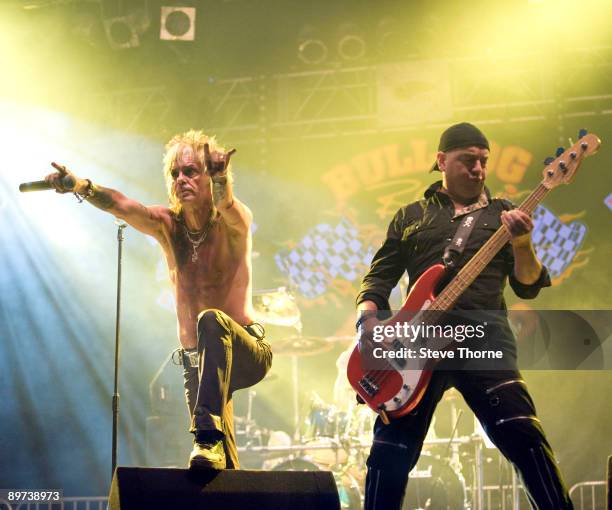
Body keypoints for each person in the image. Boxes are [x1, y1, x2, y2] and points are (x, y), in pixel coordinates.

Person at [355, 122, 573, 509]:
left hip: (482, 342)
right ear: (441, 160)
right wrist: (368, 323)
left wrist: (522, 242)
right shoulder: (411, 216)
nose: (478, 168)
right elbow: (378, 280)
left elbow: (526, 285)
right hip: (417, 351)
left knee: (524, 435)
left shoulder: (505, 213)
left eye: (483, 161)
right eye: (467, 160)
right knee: (389, 453)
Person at [45, 130, 272, 470]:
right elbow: (123, 205)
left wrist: (221, 178)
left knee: (210, 321)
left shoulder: (233, 223)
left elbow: (226, 204)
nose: (182, 179)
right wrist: (80, 185)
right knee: (214, 468)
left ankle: (206, 437)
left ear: (209, 175)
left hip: (244, 350)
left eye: (192, 171)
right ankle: (221, 466)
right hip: (199, 361)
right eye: (175, 173)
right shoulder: (168, 225)